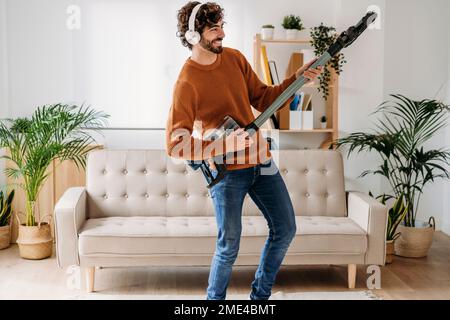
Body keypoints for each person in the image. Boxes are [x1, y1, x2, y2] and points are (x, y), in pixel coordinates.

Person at [166, 1, 323, 300]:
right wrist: (224, 144)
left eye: (222, 27)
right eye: (214, 30)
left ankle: (259, 298)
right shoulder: (187, 83)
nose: (222, 34)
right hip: (227, 174)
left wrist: (296, 80)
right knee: (229, 247)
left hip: (261, 162)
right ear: (193, 36)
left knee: (286, 228)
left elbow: (264, 98)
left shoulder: (235, 59)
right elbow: (176, 143)